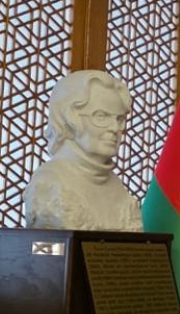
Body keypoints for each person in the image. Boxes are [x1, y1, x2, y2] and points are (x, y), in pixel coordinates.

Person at [25, 70, 142, 231]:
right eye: (101, 117)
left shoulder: (118, 188)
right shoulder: (50, 184)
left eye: (119, 119)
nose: (115, 128)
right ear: (70, 118)